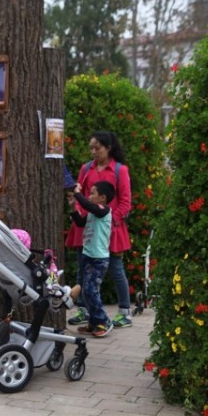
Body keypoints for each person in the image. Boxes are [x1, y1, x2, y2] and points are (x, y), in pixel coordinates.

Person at [65, 131, 133, 329]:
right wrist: (79, 214)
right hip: (88, 227)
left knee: (115, 268)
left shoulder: (120, 170)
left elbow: (125, 202)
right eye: (91, 148)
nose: (93, 152)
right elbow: (81, 195)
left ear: (108, 148)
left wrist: (109, 221)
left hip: (111, 229)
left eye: (98, 148)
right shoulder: (86, 168)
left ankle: (124, 311)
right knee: (82, 268)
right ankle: (84, 310)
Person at [67, 181, 115, 338]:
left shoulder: (104, 211)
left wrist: (77, 192)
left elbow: (88, 205)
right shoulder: (93, 212)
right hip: (88, 256)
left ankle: (104, 322)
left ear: (102, 198)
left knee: (90, 290)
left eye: (92, 193)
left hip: (99, 259)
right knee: (86, 291)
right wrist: (73, 207)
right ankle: (94, 323)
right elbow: (80, 223)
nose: (89, 196)